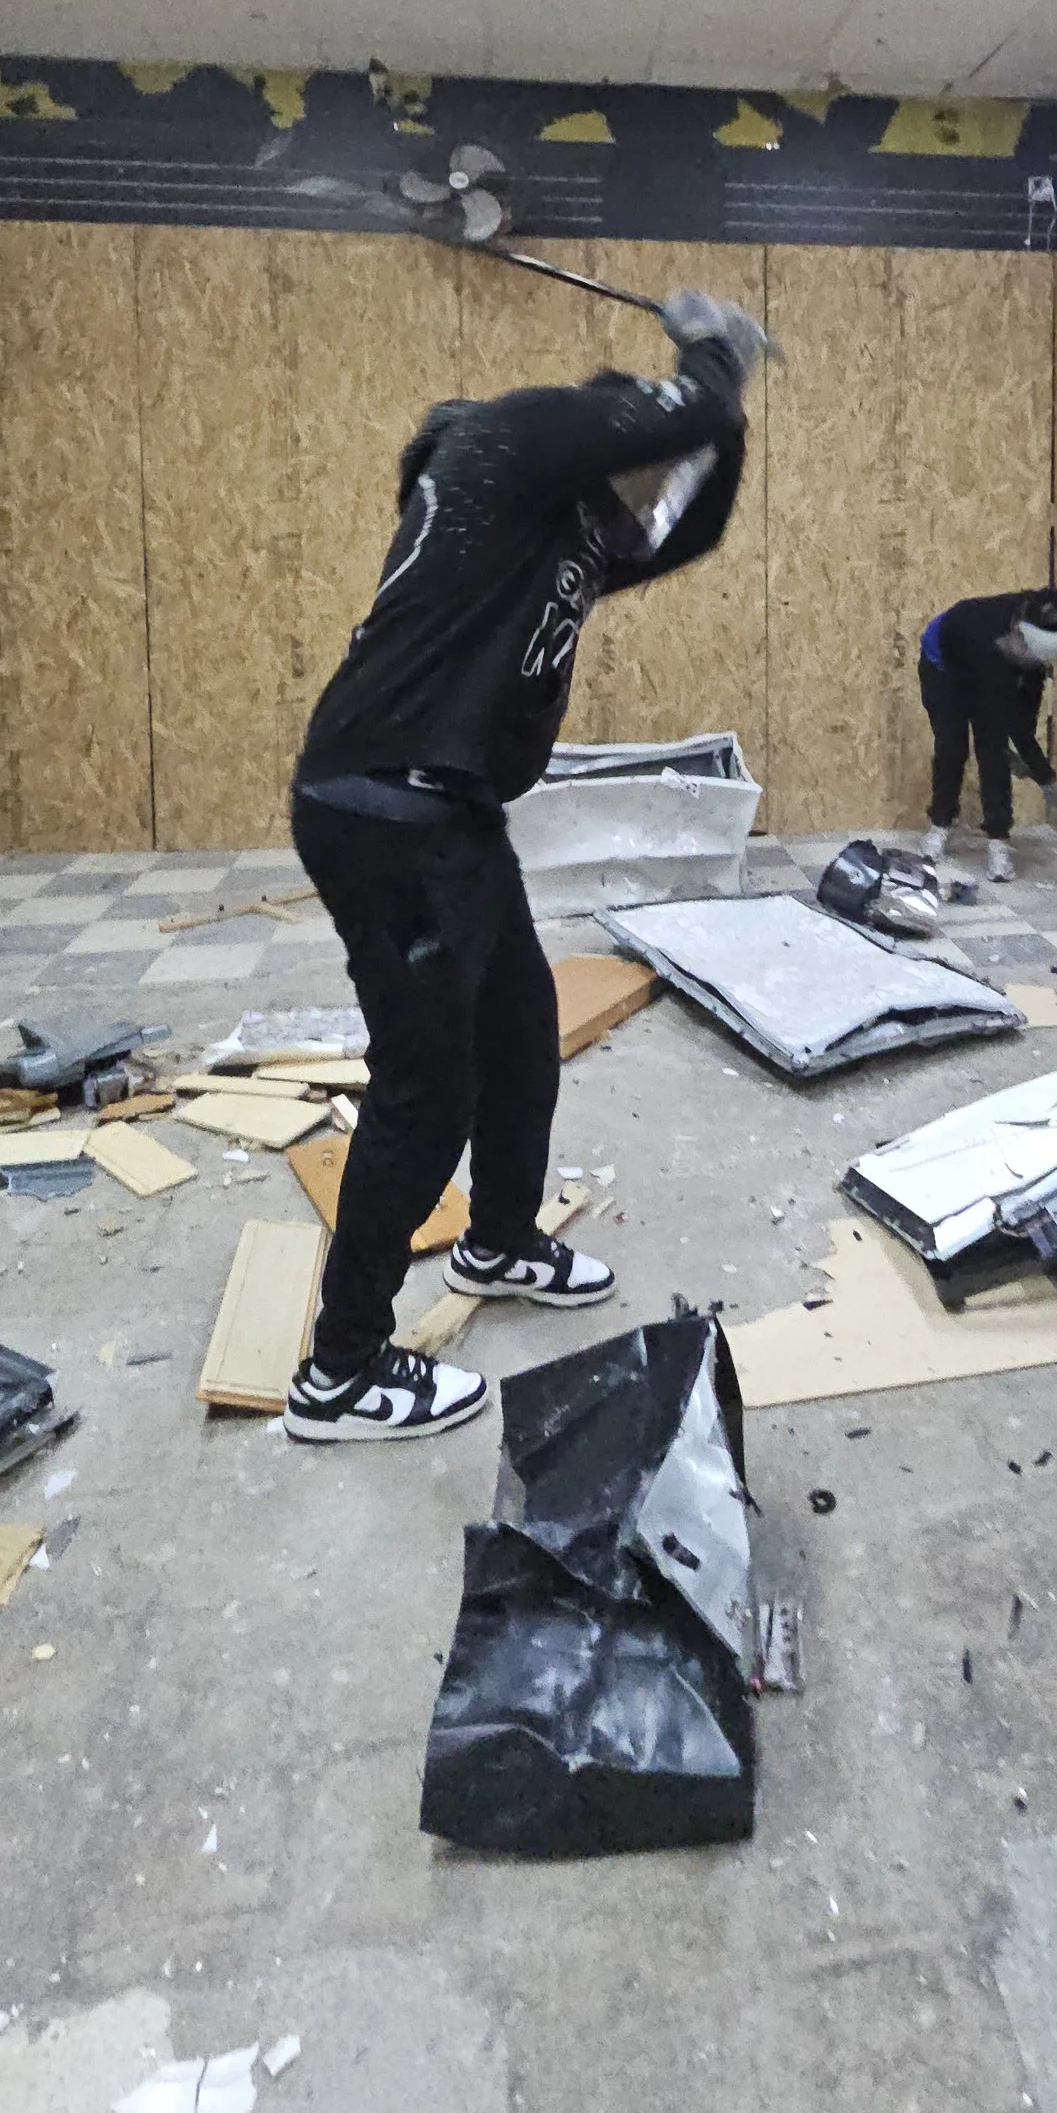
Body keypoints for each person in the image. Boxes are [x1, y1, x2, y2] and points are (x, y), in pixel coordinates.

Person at [281, 289, 769, 1445]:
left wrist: (727, 421)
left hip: (450, 819)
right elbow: (669, 415)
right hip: (385, 813)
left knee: (517, 1034)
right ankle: (340, 1372)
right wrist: (714, 359)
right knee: (426, 1089)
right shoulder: (503, 443)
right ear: (600, 440)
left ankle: (500, 1240)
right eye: (639, 458)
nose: (647, 491)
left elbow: (690, 528)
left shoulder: (555, 540)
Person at [918, 586, 1057, 883]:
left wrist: (1042, 774)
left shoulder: (1032, 658)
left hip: (989, 668)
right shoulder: (974, 630)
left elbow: (1022, 726)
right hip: (944, 666)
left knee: (994, 750)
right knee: (952, 746)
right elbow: (996, 717)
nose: (1036, 666)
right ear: (1017, 633)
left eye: (1040, 662)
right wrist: (1046, 777)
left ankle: (998, 840)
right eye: (1033, 658)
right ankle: (940, 823)